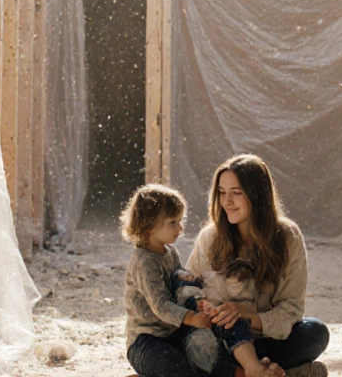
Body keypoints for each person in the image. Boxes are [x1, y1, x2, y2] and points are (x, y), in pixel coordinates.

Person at [185, 155, 330, 377]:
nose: (227, 201)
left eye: (236, 193)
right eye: (222, 193)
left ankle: (249, 371)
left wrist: (252, 317)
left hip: (267, 341)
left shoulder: (288, 236)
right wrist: (213, 312)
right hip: (222, 341)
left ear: (257, 194)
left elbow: (291, 308)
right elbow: (187, 291)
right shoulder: (209, 237)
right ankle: (287, 373)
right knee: (196, 346)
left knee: (316, 333)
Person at [121, 184, 284, 377]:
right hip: (147, 340)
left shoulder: (169, 251)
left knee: (211, 343)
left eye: (180, 220)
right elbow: (161, 305)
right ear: (149, 225)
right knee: (176, 366)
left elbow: (179, 278)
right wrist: (191, 317)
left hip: (173, 331)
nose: (180, 227)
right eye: (172, 222)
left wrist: (197, 297)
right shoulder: (144, 261)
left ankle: (248, 370)